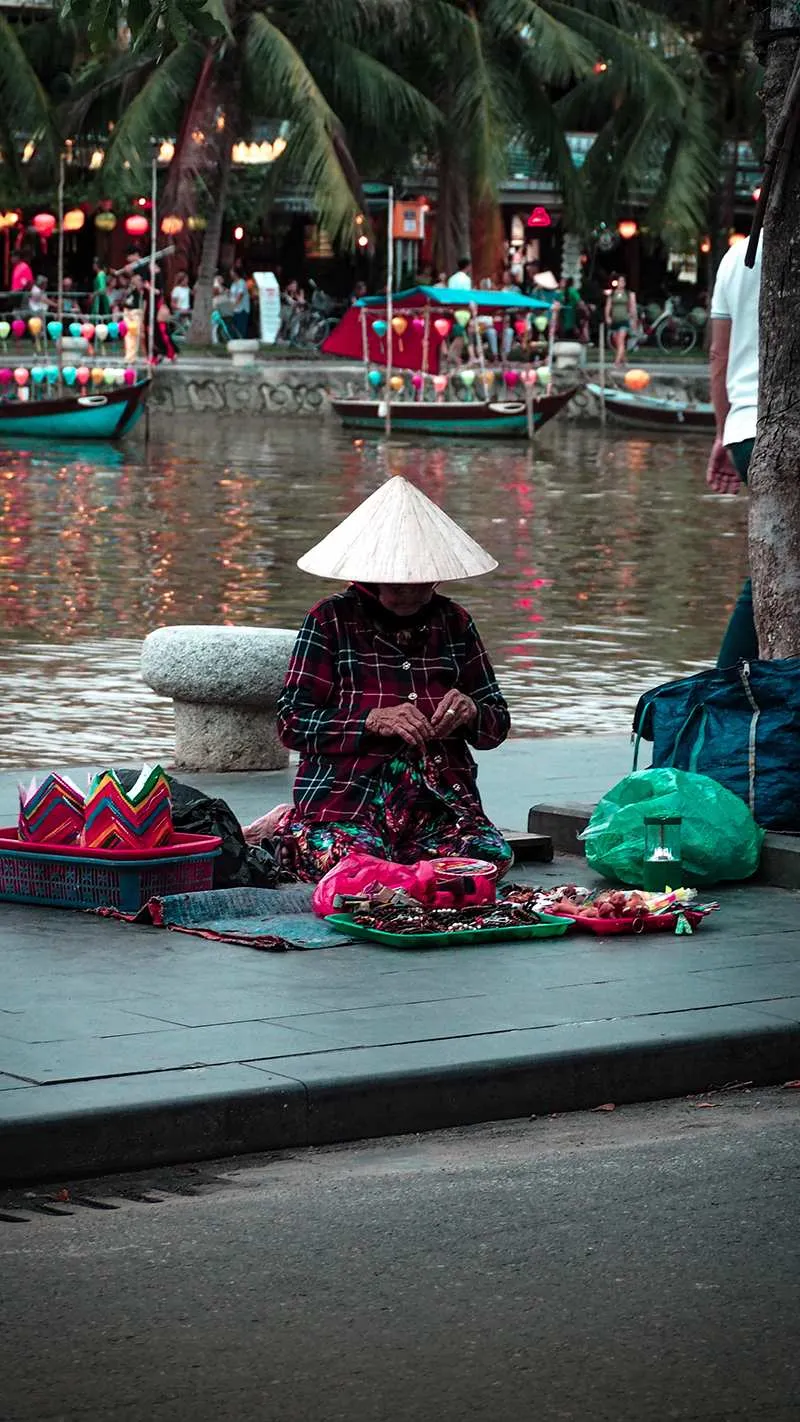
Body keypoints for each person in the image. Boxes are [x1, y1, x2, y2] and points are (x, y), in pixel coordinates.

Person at [249, 476, 513, 882]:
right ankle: (289, 830)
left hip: (437, 798)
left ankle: (400, 861)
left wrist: (472, 711)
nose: (409, 595)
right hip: (349, 796)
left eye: (421, 585)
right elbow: (291, 722)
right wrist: (370, 720)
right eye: (396, 586)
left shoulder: (455, 621)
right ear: (370, 578)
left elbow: (496, 725)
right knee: (356, 870)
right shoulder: (329, 620)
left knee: (487, 861)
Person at [707, 236, 761, 667]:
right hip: (778, 425)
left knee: (770, 562)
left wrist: (723, 433)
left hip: (745, 431)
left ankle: (727, 688)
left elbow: (718, 355)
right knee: (768, 568)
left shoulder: (736, 255)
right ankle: (723, 689)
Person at [604, 273, 638, 366]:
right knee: (617, 341)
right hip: (615, 320)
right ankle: (624, 360)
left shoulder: (628, 294)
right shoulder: (612, 294)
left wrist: (634, 319)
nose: (621, 283)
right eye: (619, 281)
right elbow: (608, 306)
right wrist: (607, 317)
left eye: (623, 281)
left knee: (621, 340)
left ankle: (617, 362)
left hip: (624, 319)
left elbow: (632, 307)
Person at [229, 266, 251, 338]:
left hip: (241, 309)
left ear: (235, 273)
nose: (230, 273)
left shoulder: (241, 282)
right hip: (234, 309)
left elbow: (240, 295)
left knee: (240, 327)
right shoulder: (233, 284)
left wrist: (234, 304)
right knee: (234, 327)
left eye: (231, 272)